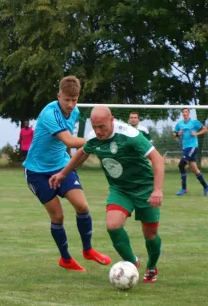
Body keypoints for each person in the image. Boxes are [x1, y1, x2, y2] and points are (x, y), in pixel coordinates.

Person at [50, 106, 164, 283]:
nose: (97, 131)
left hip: (145, 189)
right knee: (113, 225)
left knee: (151, 234)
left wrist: (157, 190)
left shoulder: (130, 135)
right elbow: (82, 153)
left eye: (101, 126)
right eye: (94, 126)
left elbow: (157, 158)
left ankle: (151, 266)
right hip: (120, 190)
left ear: (112, 119)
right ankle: (132, 263)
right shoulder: (94, 138)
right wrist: (63, 173)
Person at [23, 76, 111, 272]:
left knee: (82, 205)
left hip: (60, 165)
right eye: (67, 100)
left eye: (75, 99)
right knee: (58, 217)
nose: (71, 105)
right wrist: (100, 140)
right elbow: (69, 140)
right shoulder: (49, 113)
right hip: (37, 172)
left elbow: (68, 146)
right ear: (59, 96)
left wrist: (70, 166)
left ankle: (88, 250)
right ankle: (66, 259)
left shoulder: (76, 112)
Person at [173, 108, 208, 196]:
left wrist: (196, 134)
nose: (184, 113)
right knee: (194, 169)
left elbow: (205, 130)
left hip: (192, 147)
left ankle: (184, 189)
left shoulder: (194, 122)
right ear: (182, 114)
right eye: (183, 112)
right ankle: (206, 186)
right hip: (185, 148)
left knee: (181, 165)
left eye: (186, 112)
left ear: (189, 113)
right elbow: (174, 134)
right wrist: (178, 134)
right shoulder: (180, 124)